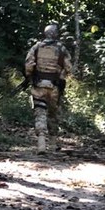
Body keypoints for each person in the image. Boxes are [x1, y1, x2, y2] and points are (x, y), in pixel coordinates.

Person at [24, 23, 72, 153]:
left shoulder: (36, 47)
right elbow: (68, 68)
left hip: (39, 85)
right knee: (53, 114)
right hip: (54, 87)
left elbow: (28, 66)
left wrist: (31, 76)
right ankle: (52, 143)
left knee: (40, 112)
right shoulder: (61, 49)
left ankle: (41, 143)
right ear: (56, 34)